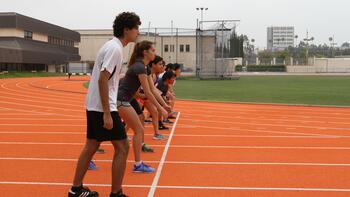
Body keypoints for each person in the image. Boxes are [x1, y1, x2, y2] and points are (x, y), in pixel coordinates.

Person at [68, 12, 141, 197]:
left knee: (92, 145)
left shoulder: (111, 46)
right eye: (136, 28)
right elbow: (102, 80)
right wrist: (107, 113)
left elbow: (106, 78)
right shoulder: (115, 49)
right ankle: (116, 193)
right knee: (122, 146)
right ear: (126, 30)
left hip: (96, 105)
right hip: (103, 107)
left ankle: (76, 189)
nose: (138, 32)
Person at [117, 41, 169, 173]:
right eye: (153, 50)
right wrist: (160, 108)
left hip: (124, 100)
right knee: (138, 129)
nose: (155, 53)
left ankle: (138, 163)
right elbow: (148, 92)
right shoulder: (140, 67)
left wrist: (164, 104)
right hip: (120, 100)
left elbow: (152, 89)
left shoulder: (145, 68)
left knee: (127, 128)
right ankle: (138, 164)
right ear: (145, 52)